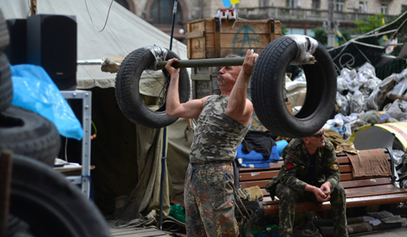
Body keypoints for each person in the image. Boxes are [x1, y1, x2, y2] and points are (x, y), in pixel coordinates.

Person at [165, 49, 258, 236]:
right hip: (194, 172)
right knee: (195, 231)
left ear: (240, 72)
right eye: (221, 67)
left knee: (222, 232)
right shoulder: (209, 100)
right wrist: (174, 76)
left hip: (216, 173)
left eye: (228, 68)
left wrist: (247, 73)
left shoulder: (245, 105)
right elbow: (173, 109)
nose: (221, 71)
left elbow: (232, 109)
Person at [266, 128, 348, 237]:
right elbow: (286, 177)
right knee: (287, 193)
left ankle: (341, 235)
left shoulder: (327, 147)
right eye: (318, 135)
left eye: (323, 134)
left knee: (339, 190)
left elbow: (335, 174)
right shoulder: (294, 147)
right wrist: (313, 189)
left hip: (315, 186)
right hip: (293, 187)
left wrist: (328, 184)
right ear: (307, 139)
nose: (323, 137)